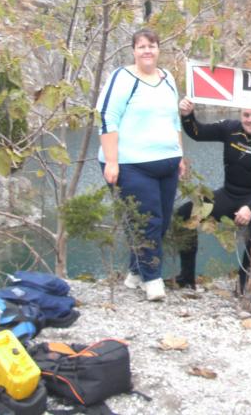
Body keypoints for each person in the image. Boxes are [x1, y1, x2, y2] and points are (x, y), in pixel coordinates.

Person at [96, 28, 185, 301]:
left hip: (166, 162)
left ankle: (136, 272)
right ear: (133, 51)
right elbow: (107, 117)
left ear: (159, 49)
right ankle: (153, 279)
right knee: (146, 221)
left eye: (152, 45)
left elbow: (174, 120)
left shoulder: (167, 77)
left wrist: (180, 154)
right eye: (142, 46)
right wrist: (112, 161)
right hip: (132, 164)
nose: (147, 51)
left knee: (162, 221)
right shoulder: (122, 78)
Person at [175, 98, 251, 293]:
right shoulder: (230, 128)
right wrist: (187, 116)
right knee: (183, 214)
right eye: (246, 115)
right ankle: (186, 277)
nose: (250, 119)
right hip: (230, 194)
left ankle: (245, 285)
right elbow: (197, 133)